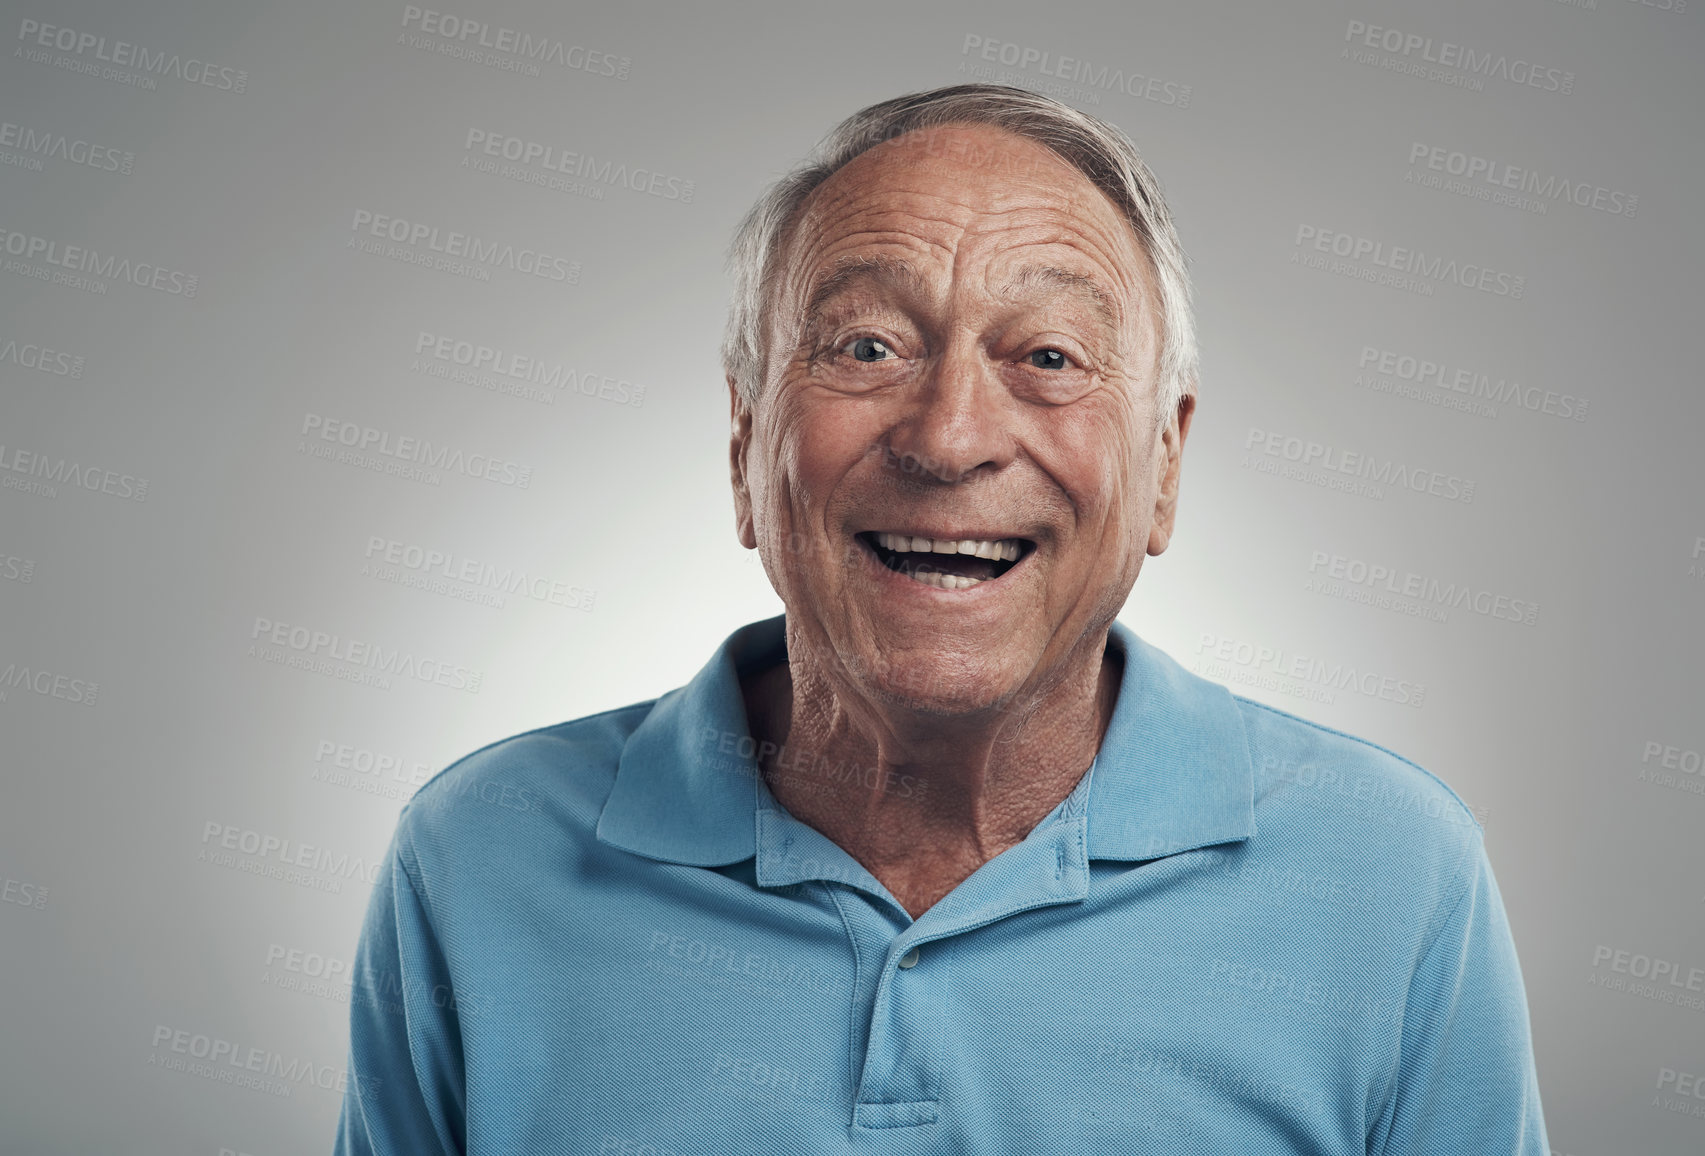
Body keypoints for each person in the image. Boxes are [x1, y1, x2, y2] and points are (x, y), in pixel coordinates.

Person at [335, 83, 1549, 1154]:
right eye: (867, 344)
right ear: (747, 439)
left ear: (1165, 466)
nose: (950, 436)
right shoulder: (478, 852)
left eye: (1052, 357)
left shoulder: (1391, 874)